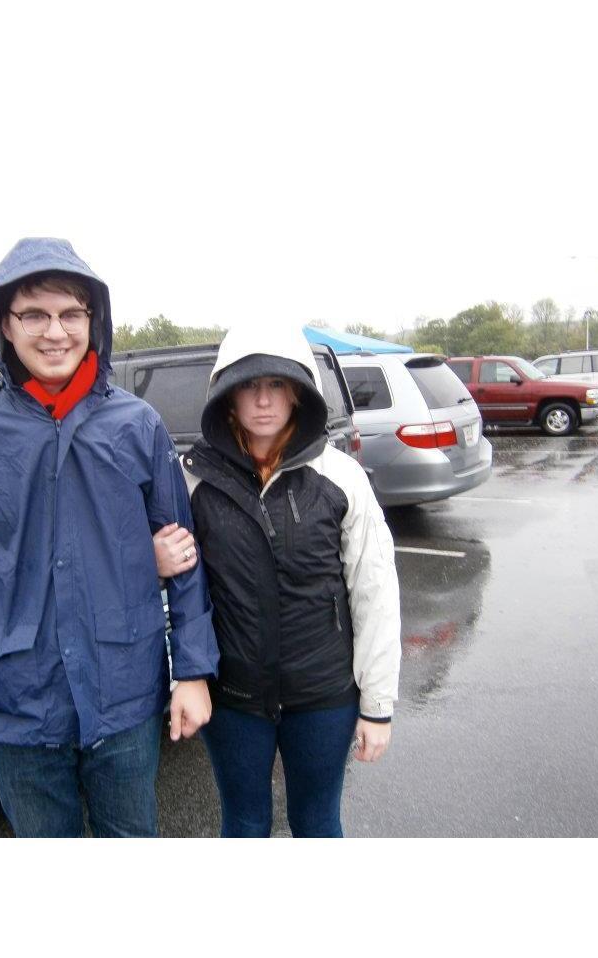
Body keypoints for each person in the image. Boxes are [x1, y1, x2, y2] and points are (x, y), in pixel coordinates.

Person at [0, 238, 218, 837]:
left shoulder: (137, 425)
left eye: (71, 314)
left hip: (124, 690)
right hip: (15, 694)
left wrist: (192, 671)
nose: (55, 332)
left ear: (93, 321)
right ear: (5, 324)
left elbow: (183, 557)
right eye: (34, 314)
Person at [153, 326, 401, 837]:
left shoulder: (342, 477)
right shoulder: (192, 479)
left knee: (316, 821)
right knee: (244, 823)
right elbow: (175, 585)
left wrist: (377, 705)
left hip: (323, 698)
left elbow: (374, 591)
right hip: (234, 697)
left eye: (277, 384)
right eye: (248, 386)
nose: (263, 400)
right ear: (227, 394)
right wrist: (150, 561)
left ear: (299, 392)